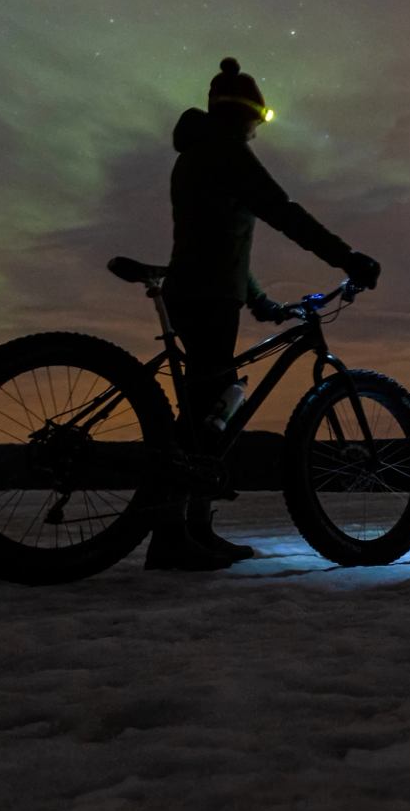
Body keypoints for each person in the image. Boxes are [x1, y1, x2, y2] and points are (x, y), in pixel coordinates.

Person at [143, 56, 381, 571]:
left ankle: (195, 529)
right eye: (258, 119)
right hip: (206, 298)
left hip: (207, 289)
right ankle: (169, 536)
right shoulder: (226, 151)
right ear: (246, 114)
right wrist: (347, 257)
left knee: (212, 405)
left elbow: (218, 242)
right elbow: (284, 212)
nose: (257, 131)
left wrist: (262, 305)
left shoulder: (199, 154)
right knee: (210, 407)